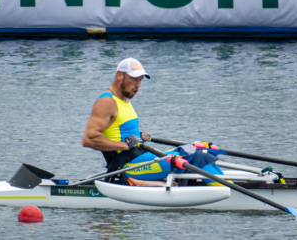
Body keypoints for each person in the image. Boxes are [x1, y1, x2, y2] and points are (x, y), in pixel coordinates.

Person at [81, 57, 225, 186]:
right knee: (191, 156)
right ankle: (225, 190)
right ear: (120, 75)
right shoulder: (107, 101)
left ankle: (225, 186)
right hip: (130, 167)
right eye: (134, 79)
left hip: (142, 158)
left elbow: (119, 130)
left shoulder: (124, 100)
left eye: (140, 80)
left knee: (197, 152)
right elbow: (88, 139)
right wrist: (125, 145)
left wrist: (139, 135)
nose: (138, 84)